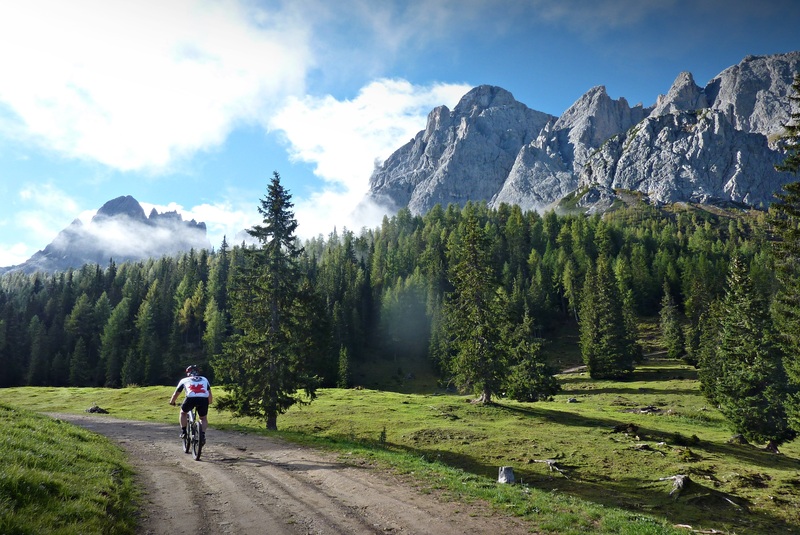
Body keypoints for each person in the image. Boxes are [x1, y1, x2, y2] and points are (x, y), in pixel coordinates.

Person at [169, 365, 212, 444]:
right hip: (203, 399)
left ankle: (184, 432)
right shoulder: (204, 379)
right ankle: (202, 435)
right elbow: (209, 392)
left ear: (188, 373)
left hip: (190, 398)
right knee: (203, 418)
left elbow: (176, 393)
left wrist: (172, 402)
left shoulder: (184, 380)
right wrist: (209, 402)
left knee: (183, 413)